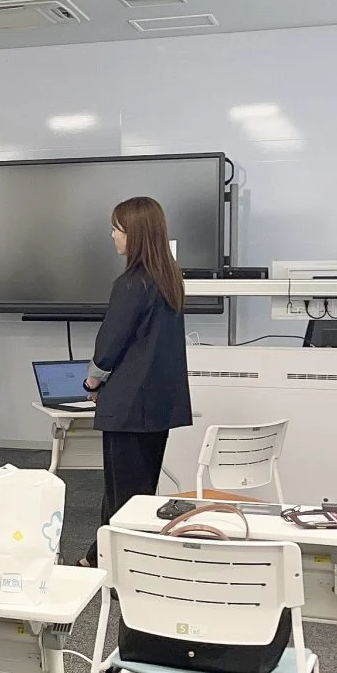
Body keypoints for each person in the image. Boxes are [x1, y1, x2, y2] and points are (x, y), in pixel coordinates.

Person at [80, 196, 192, 567]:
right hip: (158, 406)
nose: (112, 235)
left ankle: (118, 566)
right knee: (140, 491)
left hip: (127, 406)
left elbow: (110, 344)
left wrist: (93, 382)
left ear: (136, 234)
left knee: (121, 494)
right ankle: (100, 557)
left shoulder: (131, 284)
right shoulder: (169, 279)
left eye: (118, 229)